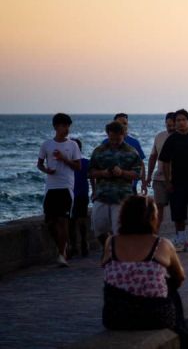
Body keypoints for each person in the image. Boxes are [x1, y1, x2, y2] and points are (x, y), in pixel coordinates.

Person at [102, 195, 188, 344]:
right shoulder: (162, 244)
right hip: (155, 316)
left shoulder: (111, 242)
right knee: (170, 286)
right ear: (152, 218)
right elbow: (180, 277)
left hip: (115, 317)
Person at [37, 113, 83, 267]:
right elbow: (39, 164)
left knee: (63, 221)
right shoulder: (47, 145)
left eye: (68, 126)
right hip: (51, 187)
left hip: (66, 187)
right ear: (56, 127)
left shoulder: (73, 145)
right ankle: (62, 247)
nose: (66, 129)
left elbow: (78, 166)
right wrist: (46, 170)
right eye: (63, 126)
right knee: (50, 221)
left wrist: (64, 159)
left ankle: (62, 254)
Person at [158, 109, 188, 251]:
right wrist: (167, 182)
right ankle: (180, 239)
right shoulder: (172, 139)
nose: (180, 123)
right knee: (178, 212)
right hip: (177, 182)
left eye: (183, 120)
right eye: (178, 120)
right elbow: (165, 162)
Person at [89, 120, 143, 246]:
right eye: (111, 138)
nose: (114, 142)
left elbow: (137, 174)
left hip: (122, 197)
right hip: (102, 195)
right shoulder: (99, 151)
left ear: (123, 135)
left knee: (119, 230)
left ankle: (117, 254)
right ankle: (107, 248)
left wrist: (122, 173)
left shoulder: (131, 152)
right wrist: (102, 173)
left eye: (117, 139)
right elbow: (90, 172)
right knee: (99, 228)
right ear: (108, 135)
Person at [146, 112, 175, 210]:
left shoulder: (182, 138)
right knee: (158, 208)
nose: (170, 128)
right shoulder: (159, 136)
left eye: (173, 125)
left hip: (176, 179)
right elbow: (153, 157)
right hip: (159, 178)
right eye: (168, 125)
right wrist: (149, 176)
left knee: (177, 210)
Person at [68, 138, 91, 259]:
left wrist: (95, 190)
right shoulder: (67, 163)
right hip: (69, 194)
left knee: (80, 220)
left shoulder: (85, 163)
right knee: (71, 222)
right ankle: (74, 245)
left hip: (81, 194)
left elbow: (92, 176)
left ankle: (83, 242)